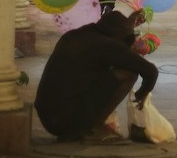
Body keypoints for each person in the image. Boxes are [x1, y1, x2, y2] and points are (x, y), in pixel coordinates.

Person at [34, 9, 157, 142]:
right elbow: (150, 71)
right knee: (128, 74)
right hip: (65, 120)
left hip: (48, 116)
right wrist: (142, 93)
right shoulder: (106, 44)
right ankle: (92, 128)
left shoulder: (76, 35)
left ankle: (81, 127)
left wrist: (129, 24)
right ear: (118, 37)